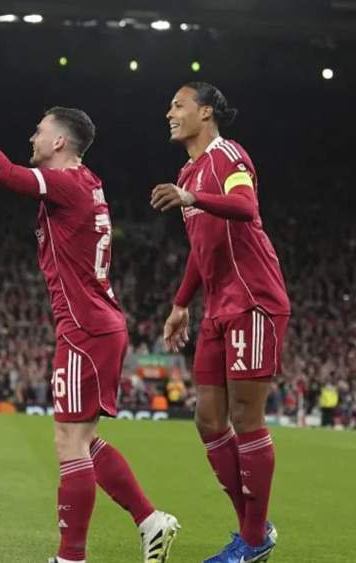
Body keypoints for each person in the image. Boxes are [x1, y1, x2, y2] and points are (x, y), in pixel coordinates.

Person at [0, 75, 179, 563]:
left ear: (60, 141)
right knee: (84, 439)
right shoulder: (88, 182)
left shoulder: (65, 184)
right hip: (95, 324)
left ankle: (70, 558)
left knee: (69, 442)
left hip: (85, 328)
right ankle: (150, 522)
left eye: (40, 131)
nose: (32, 137)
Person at [151, 82, 290, 563]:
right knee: (208, 420)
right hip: (216, 308)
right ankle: (253, 529)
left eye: (179, 104)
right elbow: (202, 247)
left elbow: (247, 208)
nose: (169, 112)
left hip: (254, 300)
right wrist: (180, 303)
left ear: (206, 112)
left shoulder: (228, 156)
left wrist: (192, 196)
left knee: (246, 419)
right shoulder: (187, 171)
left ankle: (252, 540)